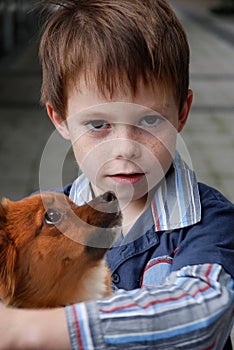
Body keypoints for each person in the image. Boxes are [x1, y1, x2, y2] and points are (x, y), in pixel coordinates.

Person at [0, 0, 234, 349]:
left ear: (182, 112)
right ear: (60, 119)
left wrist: (30, 330)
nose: (124, 148)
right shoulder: (49, 224)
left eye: (150, 121)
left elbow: (204, 310)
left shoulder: (211, 223)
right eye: (98, 125)